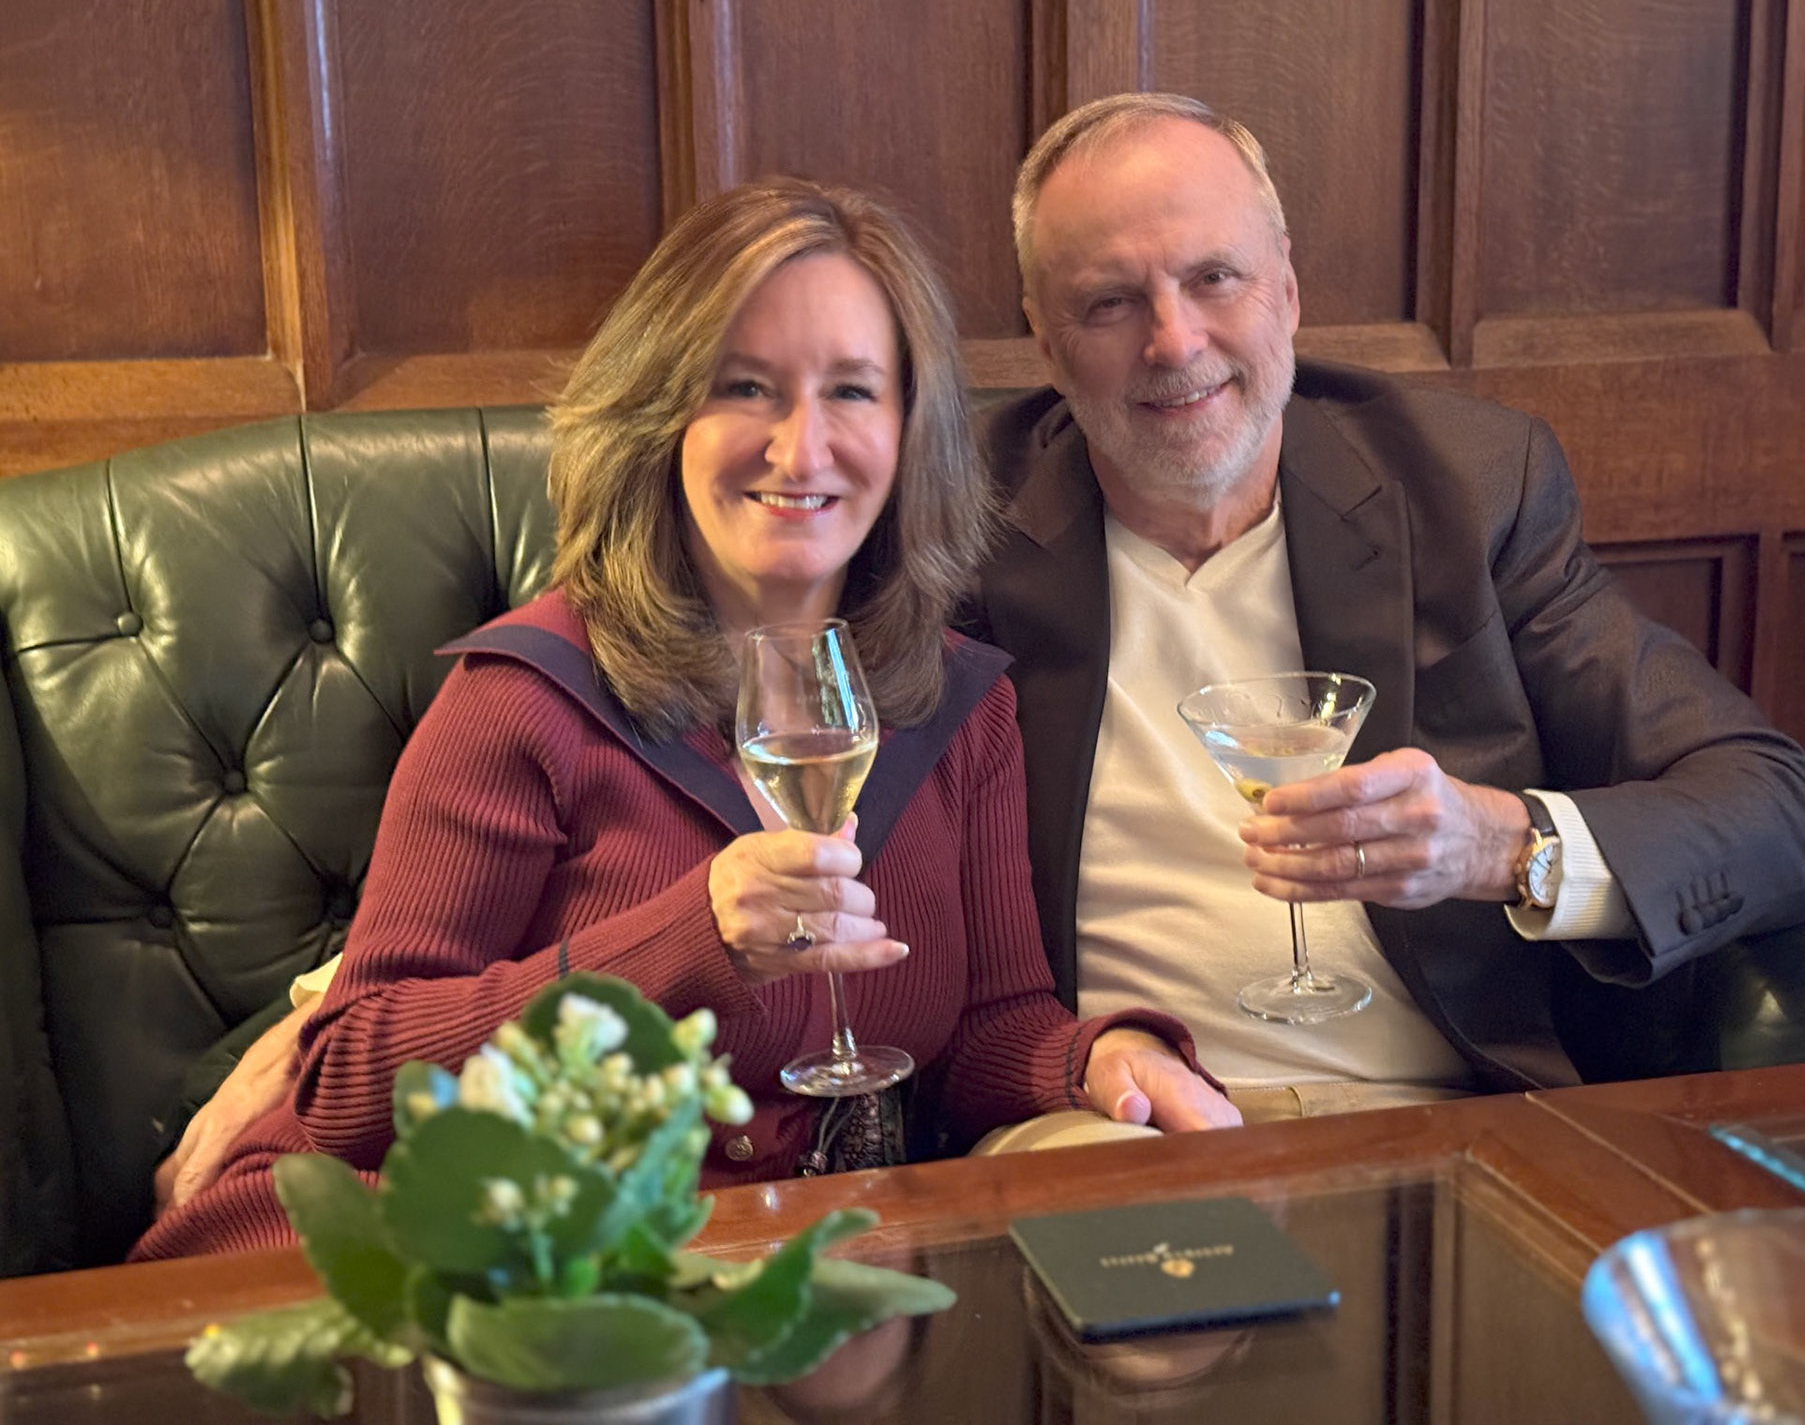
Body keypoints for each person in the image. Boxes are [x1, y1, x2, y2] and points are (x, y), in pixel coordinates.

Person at [136, 178, 1235, 1256]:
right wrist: (687, 947)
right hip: (434, 1238)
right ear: (661, 417)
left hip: (759, 1268)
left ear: (912, 430)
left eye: (853, 391)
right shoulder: (524, 698)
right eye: (745, 387)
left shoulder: (959, 705)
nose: (801, 449)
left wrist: (1097, 1059)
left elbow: (990, 1032)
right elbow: (348, 1084)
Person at [972, 93, 1805, 1122]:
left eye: (1214, 278)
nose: (1175, 340)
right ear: (1045, 341)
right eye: (1110, 302)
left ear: (1287, 289)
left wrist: (1504, 846)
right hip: (1116, 1123)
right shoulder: (957, 521)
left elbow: (1777, 810)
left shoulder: (1468, 491)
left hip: (1435, 1118)